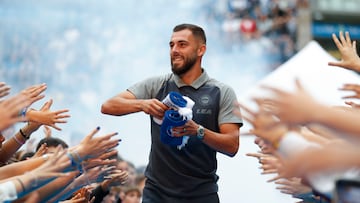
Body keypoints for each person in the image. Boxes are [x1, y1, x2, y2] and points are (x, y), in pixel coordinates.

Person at [101, 23, 243, 203]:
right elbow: (108, 106)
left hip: (201, 195)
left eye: (182, 44)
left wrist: (197, 131)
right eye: (171, 45)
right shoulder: (157, 84)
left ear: (201, 50)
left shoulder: (222, 92)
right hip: (156, 193)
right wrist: (143, 104)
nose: (174, 50)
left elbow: (232, 145)